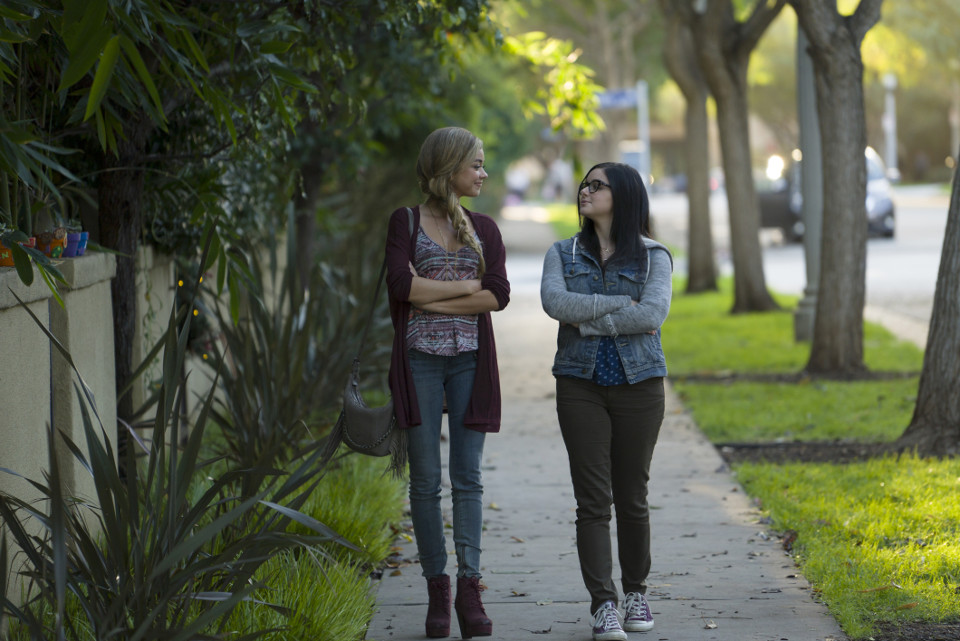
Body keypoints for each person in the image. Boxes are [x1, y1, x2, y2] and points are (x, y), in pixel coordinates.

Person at [384, 126, 510, 639]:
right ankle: (438, 588)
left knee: (468, 477)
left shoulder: (485, 227)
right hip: (419, 361)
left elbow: (497, 294)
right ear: (448, 167)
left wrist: (429, 296)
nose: (483, 173)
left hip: (469, 362)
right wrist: (463, 288)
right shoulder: (405, 222)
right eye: (476, 164)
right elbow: (399, 285)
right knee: (424, 481)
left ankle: (470, 587)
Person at [540, 162, 672, 641]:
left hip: (640, 386)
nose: (585, 190)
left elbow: (655, 313)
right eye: (583, 184)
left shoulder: (655, 257)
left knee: (632, 497)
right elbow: (556, 303)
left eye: (597, 185)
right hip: (580, 384)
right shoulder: (562, 253)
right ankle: (604, 605)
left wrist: (588, 318)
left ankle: (636, 592)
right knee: (592, 501)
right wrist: (622, 309)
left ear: (625, 196)